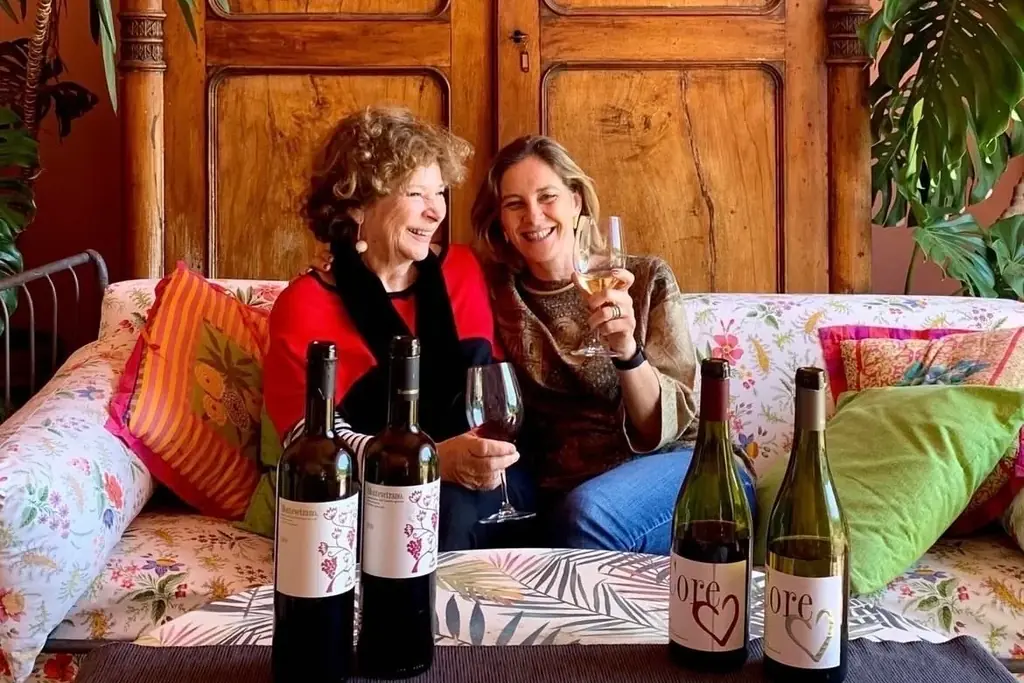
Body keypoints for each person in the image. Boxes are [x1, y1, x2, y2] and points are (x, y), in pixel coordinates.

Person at [262, 107, 534, 552]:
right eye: (415, 193)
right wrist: (428, 460)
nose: (436, 211)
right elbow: (308, 442)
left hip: (494, 480)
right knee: (434, 513)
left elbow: (499, 391)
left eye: (439, 192)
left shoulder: (464, 270)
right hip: (376, 497)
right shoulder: (305, 304)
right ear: (357, 204)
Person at [469, 134, 758, 554]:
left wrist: (626, 351)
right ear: (501, 222)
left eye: (547, 197)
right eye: (515, 204)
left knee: (586, 520)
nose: (533, 216)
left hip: (690, 469)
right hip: (570, 490)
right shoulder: (498, 293)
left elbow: (663, 427)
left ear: (576, 202)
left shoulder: (644, 280)